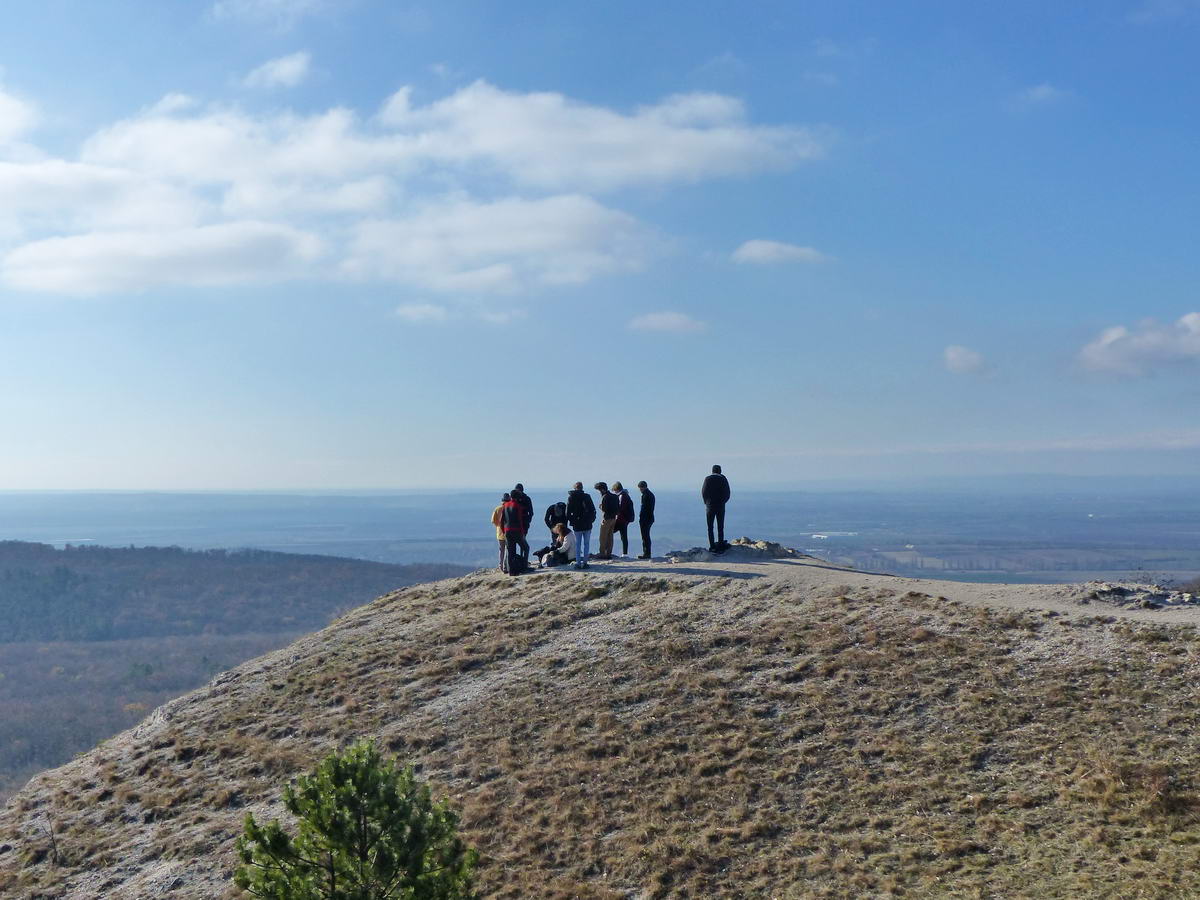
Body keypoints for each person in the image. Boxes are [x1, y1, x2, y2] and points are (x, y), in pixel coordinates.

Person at [565, 481, 596, 569]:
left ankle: (578, 563)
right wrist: (591, 520)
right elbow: (593, 509)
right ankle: (585, 562)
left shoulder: (571, 497)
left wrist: (572, 521)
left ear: (575, 488)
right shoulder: (587, 496)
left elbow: (567, 512)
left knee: (578, 544)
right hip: (587, 524)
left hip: (577, 525)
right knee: (586, 544)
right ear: (582, 488)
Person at [701, 464, 731, 551]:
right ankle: (721, 544)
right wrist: (723, 502)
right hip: (720, 506)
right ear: (720, 470)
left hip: (710, 506)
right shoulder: (723, 479)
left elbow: (704, 492)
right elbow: (727, 493)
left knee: (710, 527)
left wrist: (706, 503)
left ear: (712, 470)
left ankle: (712, 546)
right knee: (720, 526)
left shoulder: (707, 479)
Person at [500, 492, 528, 575]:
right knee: (525, 548)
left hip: (507, 531)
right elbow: (519, 520)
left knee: (511, 551)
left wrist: (503, 531)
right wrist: (522, 532)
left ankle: (512, 571)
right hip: (516, 530)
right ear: (517, 497)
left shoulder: (505, 505)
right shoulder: (517, 506)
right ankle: (523, 567)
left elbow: (502, 520)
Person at [595, 482, 618, 559]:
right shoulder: (615, 496)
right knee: (610, 536)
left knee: (603, 537)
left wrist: (600, 506)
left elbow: (604, 509)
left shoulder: (605, 497)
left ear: (602, 489)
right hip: (613, 518)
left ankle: (602, 553)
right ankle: (608, 552)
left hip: (606, 518)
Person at [511, 484, 534, 564]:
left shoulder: (526, 499)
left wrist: (527, 521)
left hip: (523, 523)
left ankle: (523, 560)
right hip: (517, 524)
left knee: (522, 542)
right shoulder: (515, 499)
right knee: (519, 543)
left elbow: (531, 512)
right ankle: (518, 561)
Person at [612, 481, 635, 557]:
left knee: (609, 532)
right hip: (625, 519)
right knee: (624, 536)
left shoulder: (622, 496)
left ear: (616, 489)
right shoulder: (626, 495)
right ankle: (625, 553)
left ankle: (607, 550)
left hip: (621, 519)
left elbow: (621, 508)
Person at [491, 493, 510, 570]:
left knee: (501, 549)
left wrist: (498, 526)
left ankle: (501, 565)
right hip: (508, 532)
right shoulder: (509, 508)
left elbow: (493, 520)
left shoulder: (497, 509)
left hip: (500, 533)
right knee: (507, 549)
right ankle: (506, 566)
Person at [636, 480, 655, 559]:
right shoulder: (650, 494)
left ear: (643, 487)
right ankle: (647, 553)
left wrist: (641, 517)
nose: (640, 490)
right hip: (650, 518)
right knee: (646, 536)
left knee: (645, 536)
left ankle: (646, 553)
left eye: (640, 488)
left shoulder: (646, 495)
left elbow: (644, 508)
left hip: (645, 519)